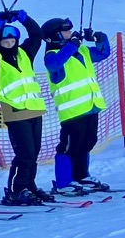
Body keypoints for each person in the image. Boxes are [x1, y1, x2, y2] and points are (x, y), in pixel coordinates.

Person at [0, 13, 51, 204]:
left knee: (34, 153)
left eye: (12, 41)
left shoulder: (25, 54)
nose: (9, 44)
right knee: (25, 154)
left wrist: (24, 19)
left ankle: (29, 185)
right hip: (15, 112)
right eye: (5, 41)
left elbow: (37, 35)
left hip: (34, 109)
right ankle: (16, 190)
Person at [41, 17, 112, 193]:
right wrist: (72, 44)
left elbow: (102, 53)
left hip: (90, 105)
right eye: (65, 31)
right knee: (69, 146)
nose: (70, 33)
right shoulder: (51, 55)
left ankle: (81, 175)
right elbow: (55, 64)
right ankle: (64, 182)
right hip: (72, 111)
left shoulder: (81, 50)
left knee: (88, 142)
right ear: (55, 36)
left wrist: (100, 38)